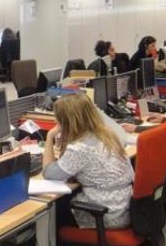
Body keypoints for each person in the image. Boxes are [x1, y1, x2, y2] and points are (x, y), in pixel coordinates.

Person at [43, 93, 134, 229]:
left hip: (107, 214)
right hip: (126, 206)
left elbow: (49, 173)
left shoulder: (79, 148)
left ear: (65, 121)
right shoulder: (107, 135)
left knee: (55, 209)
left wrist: (49, 137)